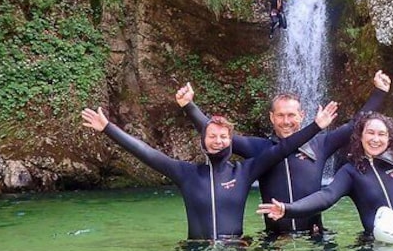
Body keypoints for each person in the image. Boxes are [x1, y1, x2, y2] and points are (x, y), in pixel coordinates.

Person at [80, 96, 338, 242]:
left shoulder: (245, 171)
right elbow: (147, 154)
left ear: (231, 140)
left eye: (224, 137)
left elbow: (283, 148)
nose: (218, 141)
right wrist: (108, 129)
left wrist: (316, 126)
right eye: (212, 136)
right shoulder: (186, 173)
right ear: (203, 139)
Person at [178, 70, 393, 237]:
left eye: (291, 115)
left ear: (302, 115)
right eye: (280, 115)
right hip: (275, 239)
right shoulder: (258, 149)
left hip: (314, 236)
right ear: (272, 118)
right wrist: (189, 106)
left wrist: (379, 92)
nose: (286, 121)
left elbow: (355, 124)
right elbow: (218, 134)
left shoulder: (321, 143)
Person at [257, 112, 393, 238]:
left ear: (389, 139)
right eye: (370, 132)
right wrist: (288, 209)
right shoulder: (351, 172)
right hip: (376, 244)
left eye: (381, 134)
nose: (375, 139)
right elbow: (326, 197)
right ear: (360, 136)